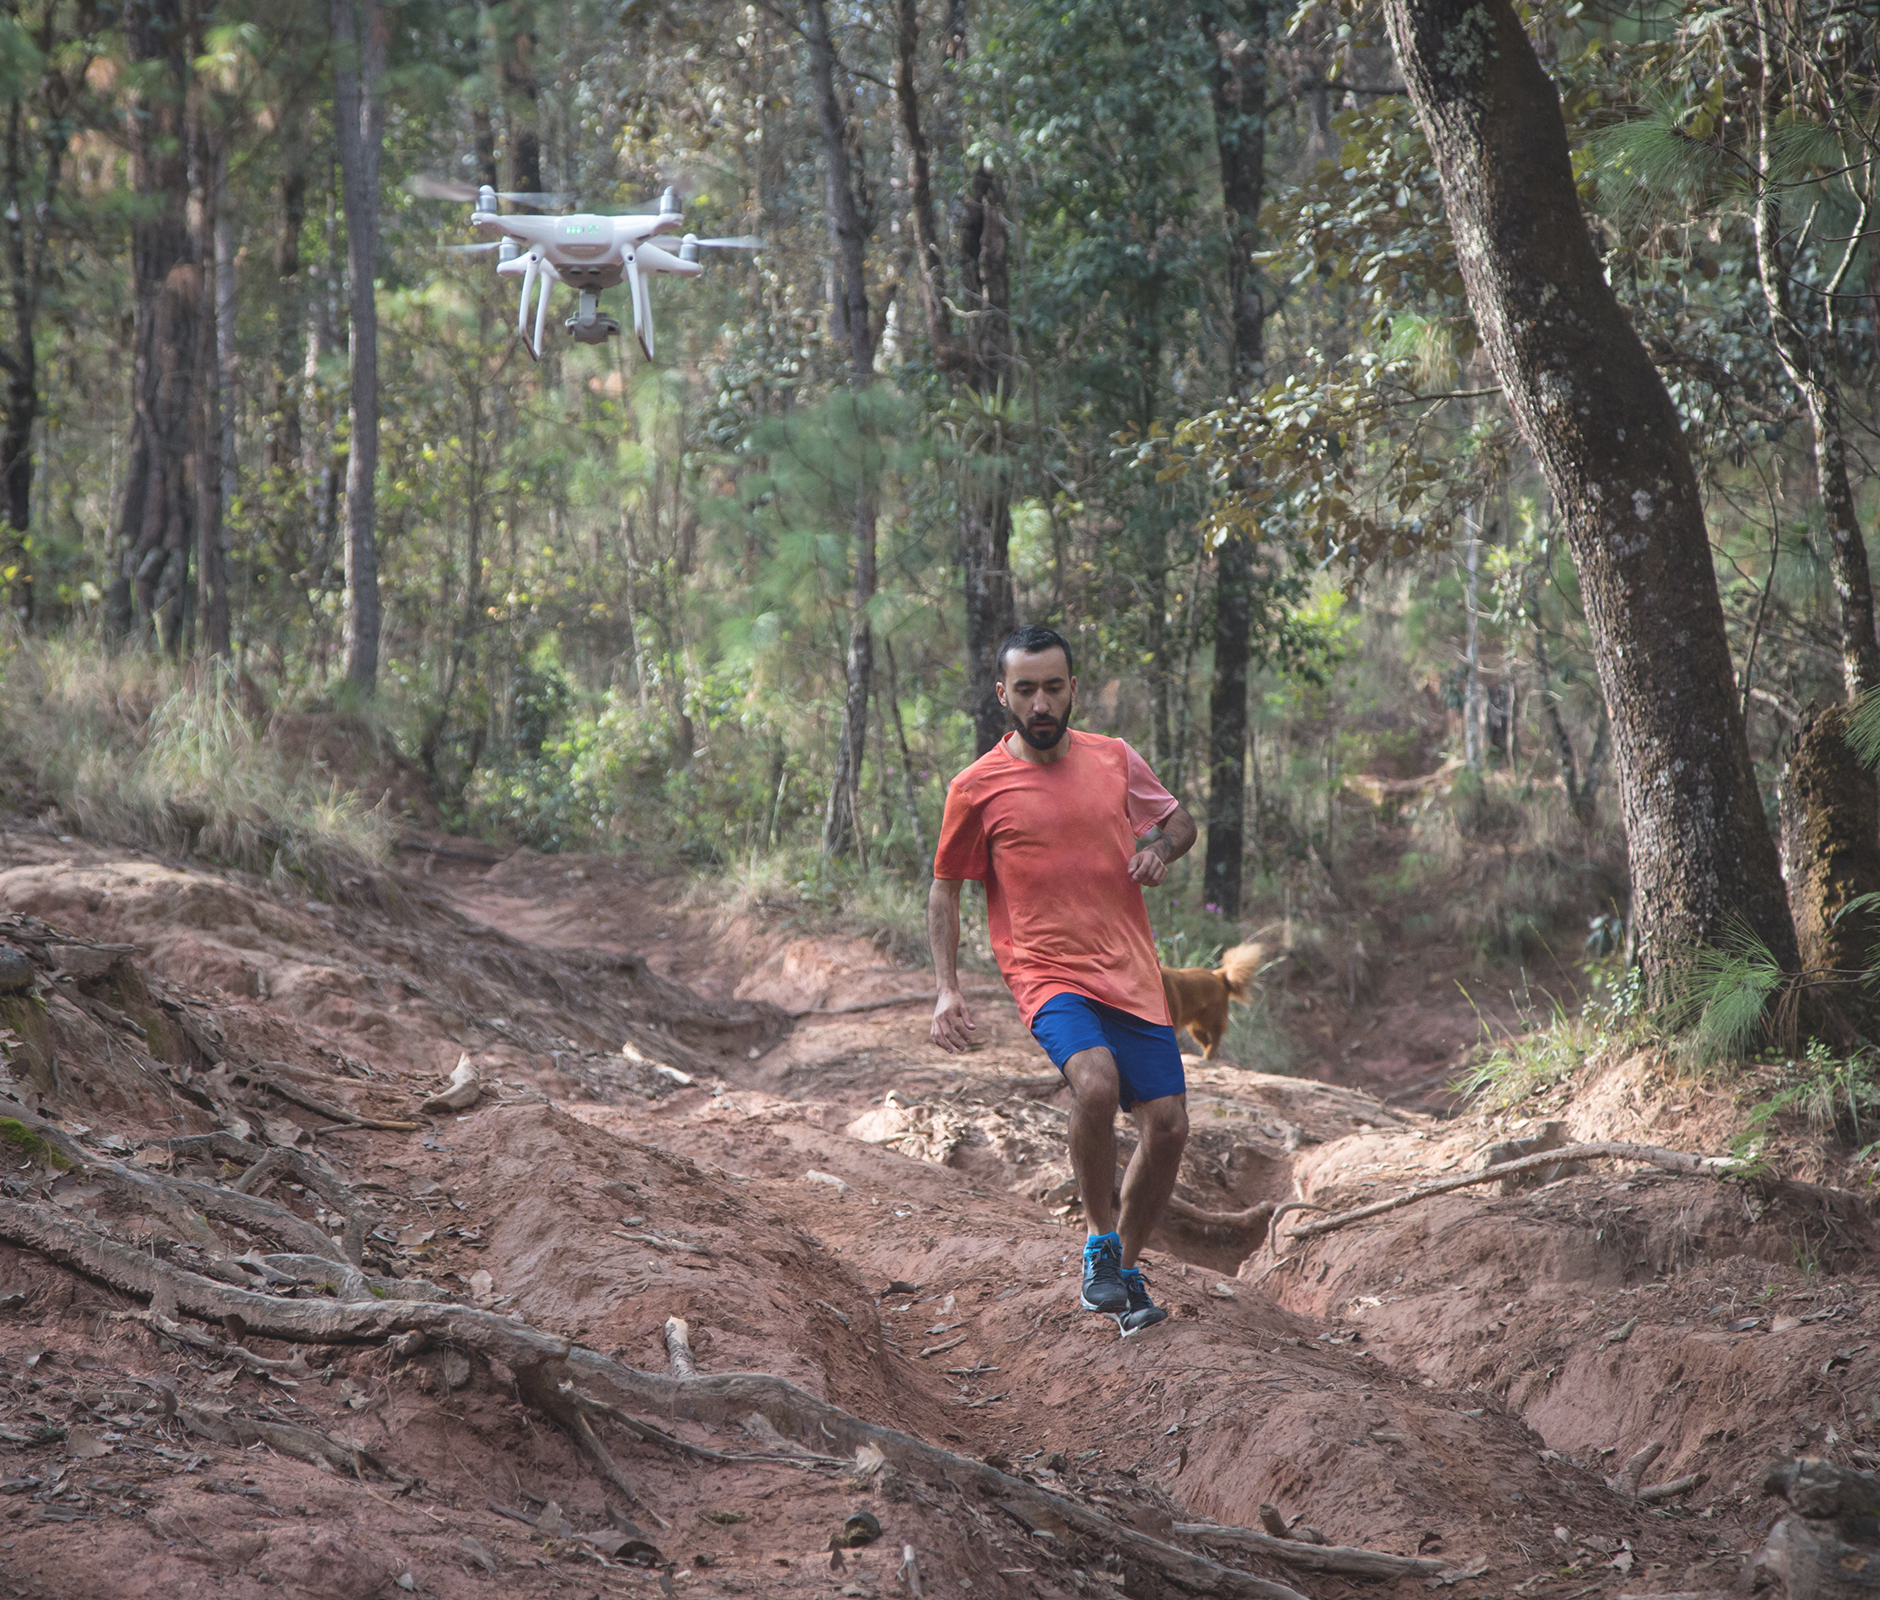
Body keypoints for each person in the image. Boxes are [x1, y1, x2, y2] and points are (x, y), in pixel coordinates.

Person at [928, 623, 1197, 1334]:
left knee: (1168, 1128)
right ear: (1002, 696)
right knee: (1098, 1083)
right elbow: (946, 888)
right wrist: (948, 987)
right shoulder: (976, 787)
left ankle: (1124, 1273)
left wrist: (1161, 851)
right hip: (1046, 971)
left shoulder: (1113, 760)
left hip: (1130, 971)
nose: (1041, 703)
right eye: (1025, 690)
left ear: (1072, 688)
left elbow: (1180, 824)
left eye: (1053, 687)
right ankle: (1100, 1247)